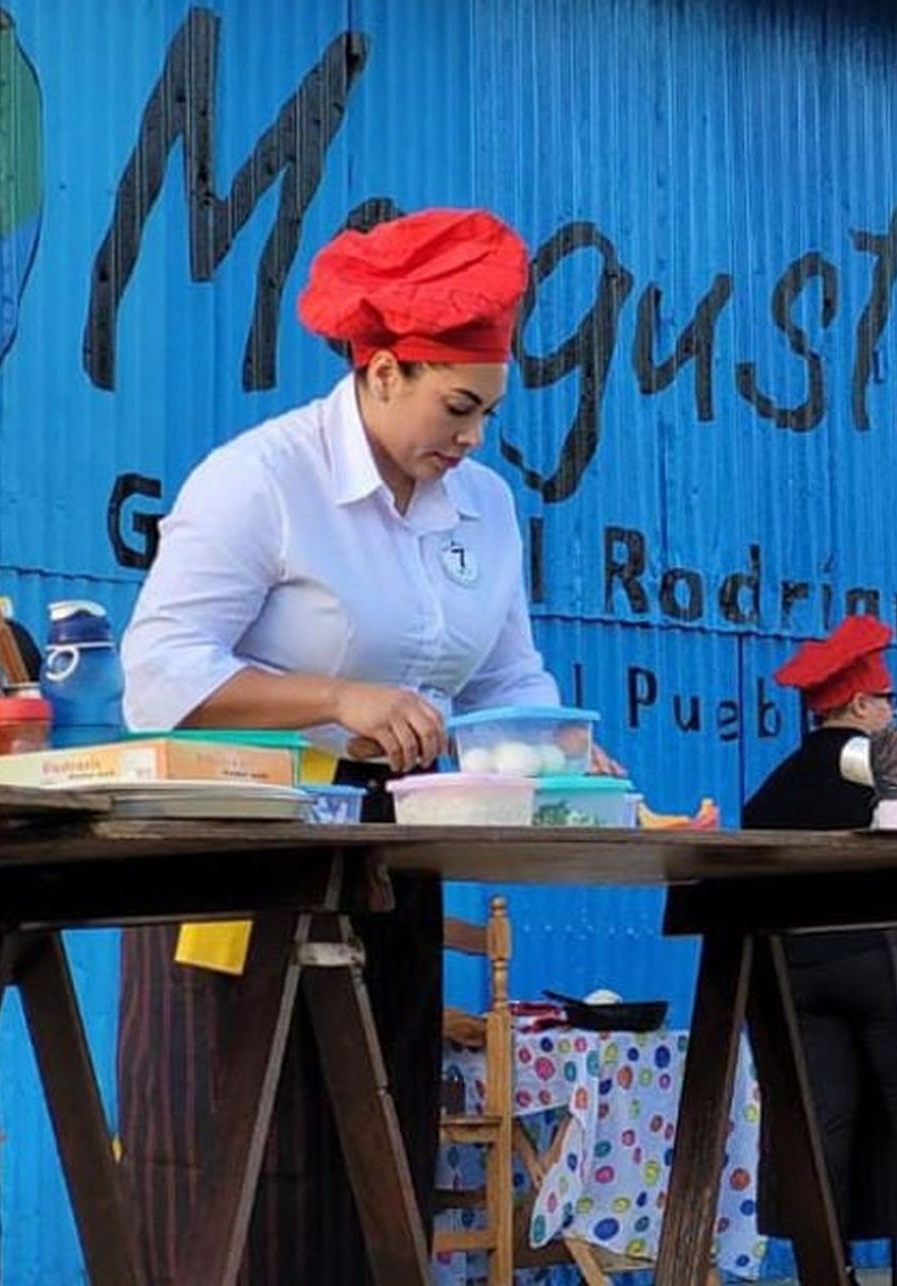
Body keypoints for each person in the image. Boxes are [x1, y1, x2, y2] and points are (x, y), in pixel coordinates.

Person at [119, 208, 596, 1282]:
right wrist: (337, 694)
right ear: (382, 369)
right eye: (456, 406)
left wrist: (558, 751)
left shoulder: (483, 504)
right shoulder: (263, 477)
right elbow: (161, 672)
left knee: (374, 1145)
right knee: (233, 1151)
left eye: (486, 413)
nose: (471, 436)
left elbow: (508, 677)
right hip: (238, 855)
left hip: (387, 852)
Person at [743, 614, 897, 1276]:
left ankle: (824, 1266)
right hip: (883, 957)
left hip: (795, 969)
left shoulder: (773, 786)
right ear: (861, 703)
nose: (895, 713)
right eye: (890, 701)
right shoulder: (888, 773)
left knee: (818, 1123)